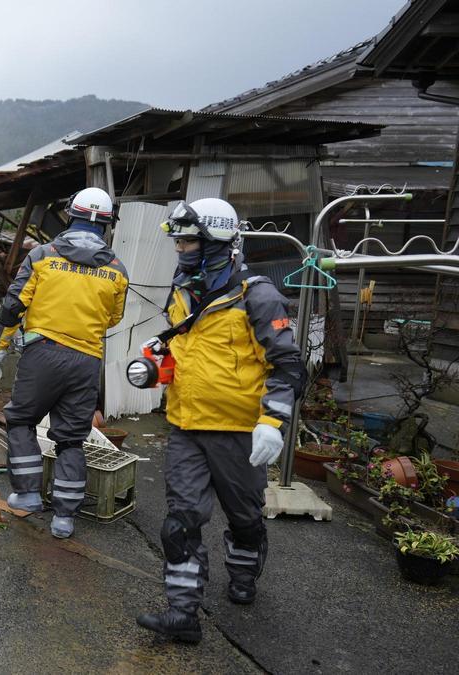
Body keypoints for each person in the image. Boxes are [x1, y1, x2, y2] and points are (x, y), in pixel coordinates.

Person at [135, 198, 305, 644]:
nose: (181, 249)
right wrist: (160, 361)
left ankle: (245, 572)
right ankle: (183, 613)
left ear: (216, 241)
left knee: (245, 517)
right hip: (187, 427)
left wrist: (273, 421)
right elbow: (188, 349)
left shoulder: (259, 296)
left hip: (240, 433)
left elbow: (287, 365)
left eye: (189, 241)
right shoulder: (183, 288)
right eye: (179, 241)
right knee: (180, 520)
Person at [0, 187, 128, 539]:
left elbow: (13, 305)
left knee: (21, 421)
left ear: (71, 214)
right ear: (107, 224)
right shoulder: (117, 269)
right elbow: (114, 318)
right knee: (71, 439)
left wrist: (1, 345)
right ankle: (64, 519)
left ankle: (28, 494)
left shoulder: (42, 255)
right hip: (86, 362)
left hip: (43, 354)